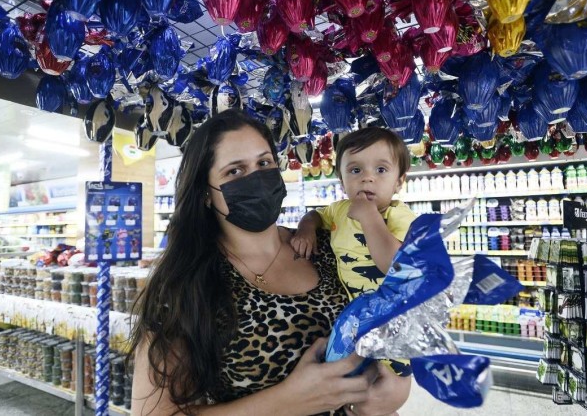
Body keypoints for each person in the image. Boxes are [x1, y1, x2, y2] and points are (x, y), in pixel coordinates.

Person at [129, 110, 411, 416]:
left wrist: (397, 383)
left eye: (264, 163)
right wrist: (287, 401)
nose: (257, 178)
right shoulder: (187, 283)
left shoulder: (328, 246)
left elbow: (396, 303)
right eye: (235, 172)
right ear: (205, 194)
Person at [291, 127, 417, 376]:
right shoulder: (339, 210)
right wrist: (306, 228)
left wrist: (370, 218)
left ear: (399, 181)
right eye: (355, 170)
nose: (367, 178)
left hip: (395, 323)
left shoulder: (399, 216)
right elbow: (316, 215)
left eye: (381, 170)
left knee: (386, 387)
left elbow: (395, 266)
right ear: (341, 179)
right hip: (358, 321)